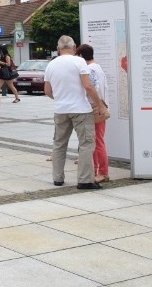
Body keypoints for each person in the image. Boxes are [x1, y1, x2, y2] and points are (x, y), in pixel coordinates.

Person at [44, 35, 104, 190]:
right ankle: (85, 180)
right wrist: (99, 105)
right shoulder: (79, 61)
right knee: (86, 144)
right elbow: (88, 86)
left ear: (58, 49)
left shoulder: (51, 65)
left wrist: (60, 99)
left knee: (59, 144)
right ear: (74, 47)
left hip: (60, 109)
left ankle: (57, 178)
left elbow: (47, 91)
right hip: (81, 110)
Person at [76, 43, 110, 183]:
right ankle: (97, 170)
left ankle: (102, 172)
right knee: (96, 141)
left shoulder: (89, 70)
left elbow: (90, 88)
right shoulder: (97, 67)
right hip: (99, 107)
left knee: (96, 142)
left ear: (81, 56)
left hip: (94, 108)